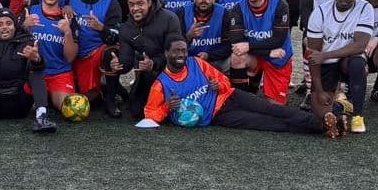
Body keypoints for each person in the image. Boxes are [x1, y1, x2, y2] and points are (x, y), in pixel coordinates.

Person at [144, 40, 342, 137]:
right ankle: (321, 128)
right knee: (267, 123)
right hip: (216, 116)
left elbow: (224, 81)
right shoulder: (161, 84)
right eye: (176, 51)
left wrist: (218, 84)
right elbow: (150, 114)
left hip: (230, 96)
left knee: (273, 109)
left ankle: (325, 121)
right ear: (166, 53)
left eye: (183, 50)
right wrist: (167, 107)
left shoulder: (195, 62)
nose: (180, 54)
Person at [304, 0, 373, 133]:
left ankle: (357, 116)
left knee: (358, 64)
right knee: (317, 106)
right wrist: (319, 90)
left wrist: (326, 55)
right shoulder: (319, 13)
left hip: (347, 59)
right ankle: (339, 110)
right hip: (326, 64)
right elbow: (314, 55)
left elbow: (360, 45)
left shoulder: (365, 8)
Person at [106, 0, 184, 119]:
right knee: (137, 113)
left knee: (177, 110)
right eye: (131, 4)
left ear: (149, 2)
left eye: (140, 3)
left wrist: (154, 63)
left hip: (173, 71)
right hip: (148, 74)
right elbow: (126, 62)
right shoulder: (126, 29)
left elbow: (179, 54)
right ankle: (112, 97)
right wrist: (117, 65)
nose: (135, 8)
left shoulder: (170, 19)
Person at [224, 0, 293, 104]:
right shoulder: (238, 8)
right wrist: (267, 52)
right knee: (237, 56)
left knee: (275, 108)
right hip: (263, 54)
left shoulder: (279, 4)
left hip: (278, 58)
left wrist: (249, 46)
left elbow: (278, 40)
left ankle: (257, 85)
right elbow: (237, 43)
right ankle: (242, 100)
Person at [66, 0, 123, 116]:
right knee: (73, 96)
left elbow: (117, 36)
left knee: (111, 53)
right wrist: (65, 7)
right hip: (74, 54)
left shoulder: (112, 2)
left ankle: (110, 100)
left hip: (96, 53)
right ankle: (114, 89)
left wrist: (101, 28)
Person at [25, 0, 79, 111]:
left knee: (70, 109)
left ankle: (51, 96)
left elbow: (70, 58)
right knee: (18, 105)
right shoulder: (30, 12)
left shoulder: (69, 18)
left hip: (59, 74)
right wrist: (24, 26)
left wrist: (67, 33)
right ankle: (44, 96)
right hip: (32, 73)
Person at [180, 0, 241, 67]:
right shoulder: (182, 12)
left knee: (237, 58)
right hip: (188, 61)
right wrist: (189, 36)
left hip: (216, 60)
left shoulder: (224, 13)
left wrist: (209, 56)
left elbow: (229, 45)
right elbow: (173, 45)